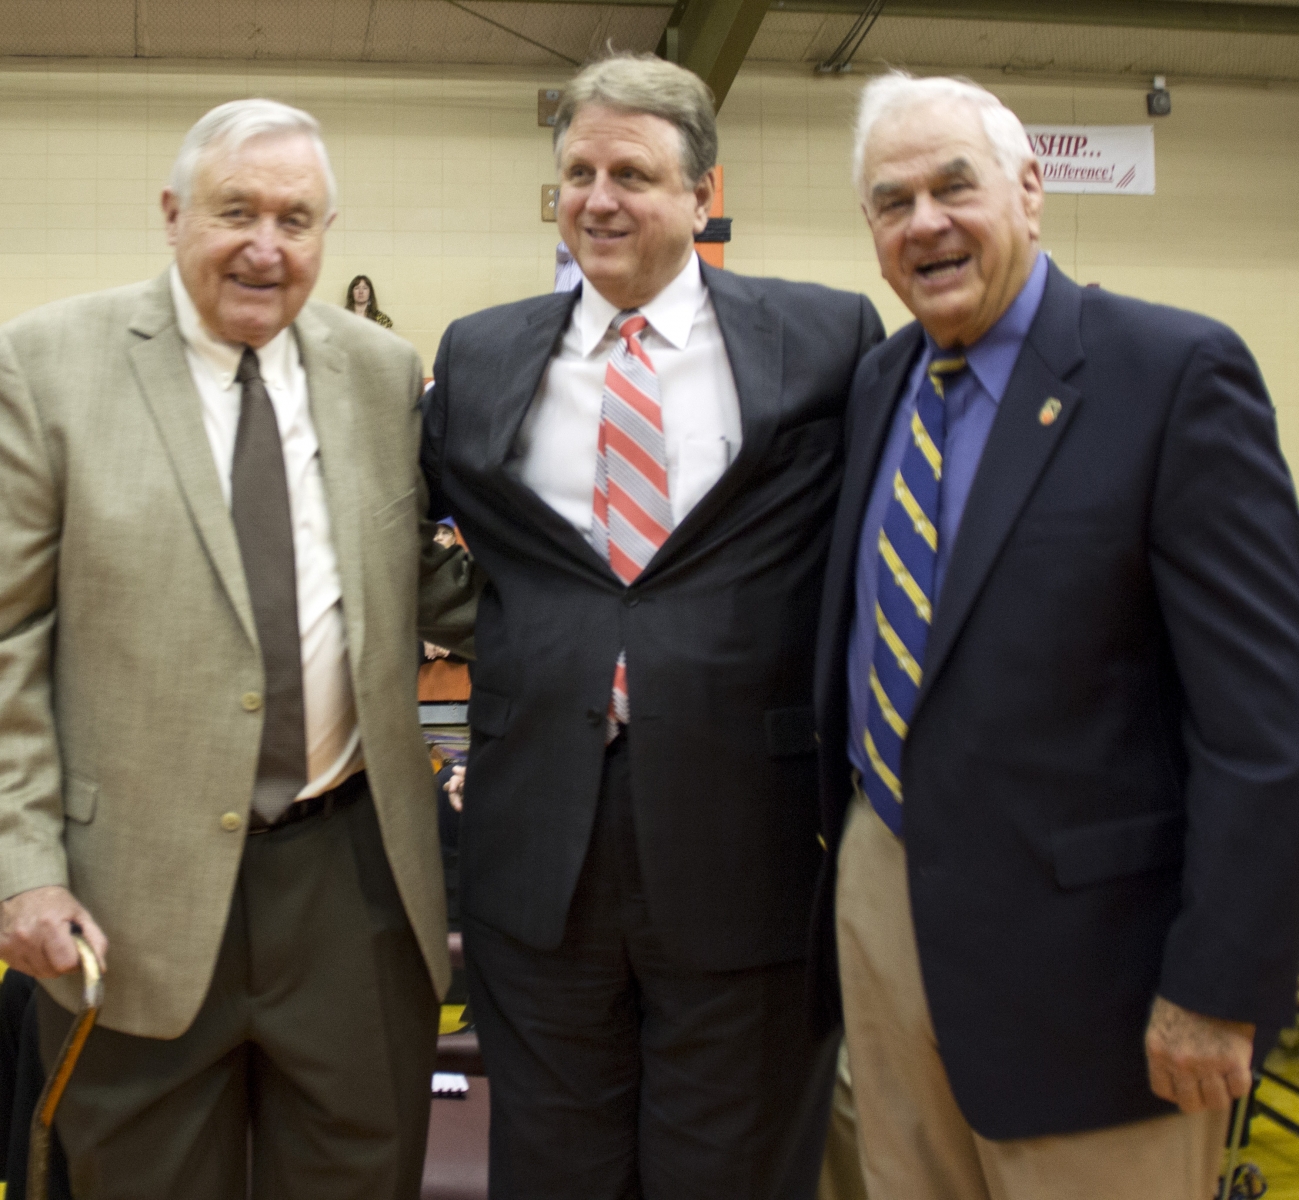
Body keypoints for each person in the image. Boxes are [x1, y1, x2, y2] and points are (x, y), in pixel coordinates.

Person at [811, 70, 1299, 1200]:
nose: (924, 223)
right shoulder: (879, 385)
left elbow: (1265, 723)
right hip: (886, 915)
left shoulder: (1172, 374)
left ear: (1029, 190)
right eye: (891, 202)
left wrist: (1220, 986)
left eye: (954, 187)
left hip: (1099, 984)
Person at [422, 52, 884, 1200]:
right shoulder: (479, 354)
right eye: (577, 173)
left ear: (702, 192)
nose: (598, 199)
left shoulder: (826, 341)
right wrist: (517, 639)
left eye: (631, 173)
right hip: (539, 860)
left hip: (752, 852)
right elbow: (400, 538)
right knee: (553, 1172)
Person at [0, 97, 478, 1200]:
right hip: (129, 889)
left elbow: (422, 579)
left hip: (352, 877)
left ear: (326, 234)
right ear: (172, 213)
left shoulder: (379, 373)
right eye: (236, 212)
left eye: (295, 220)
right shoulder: (47, 364)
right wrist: (24, 871)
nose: (266, 246)